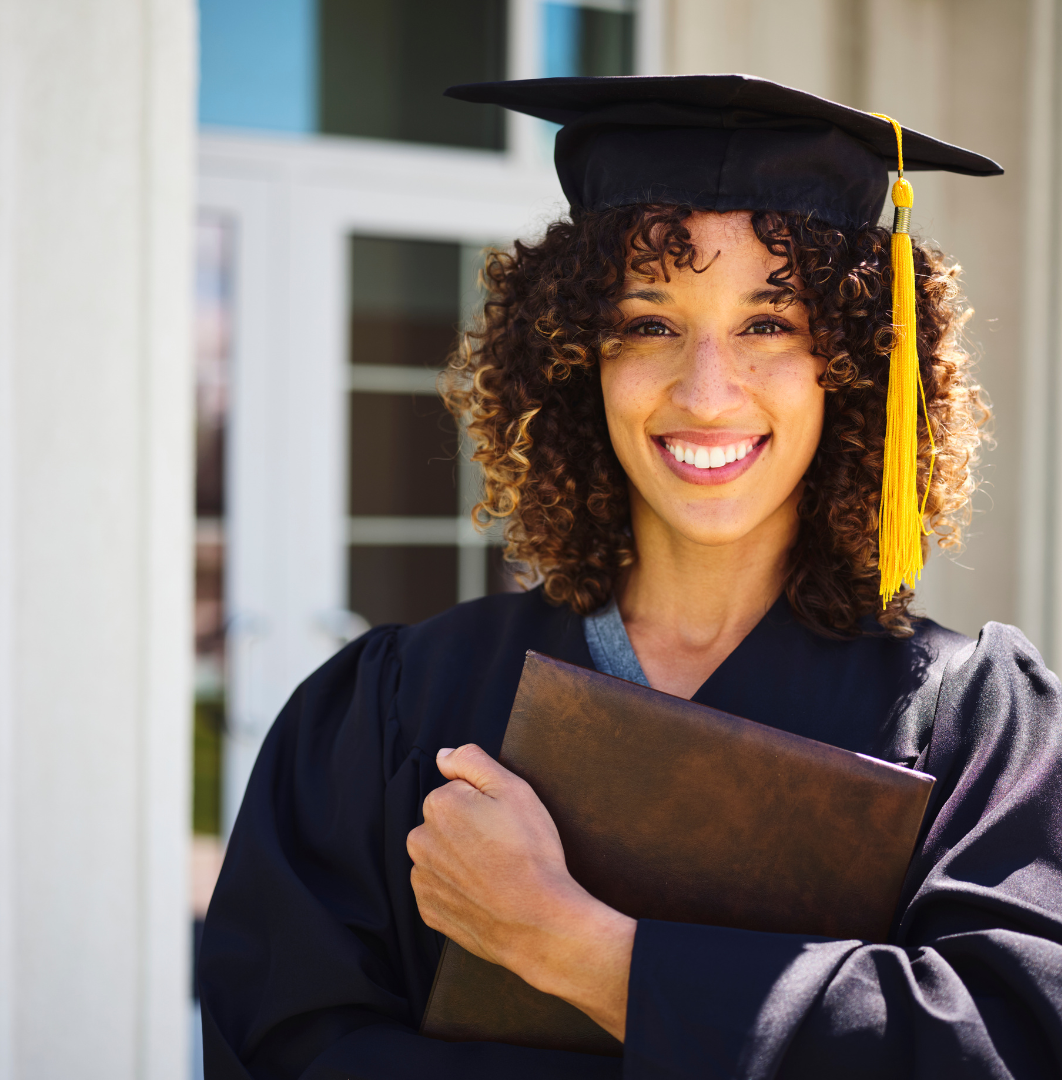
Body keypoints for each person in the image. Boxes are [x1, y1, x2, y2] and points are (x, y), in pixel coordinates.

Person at [199, 75, 1062, 1079]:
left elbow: (1008, 1043)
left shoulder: (972, 727)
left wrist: (578, 949)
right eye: (649, 322)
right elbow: (288, 1039)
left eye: (768, 324)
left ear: (855, 364)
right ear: (574, 357)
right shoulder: (398, 704)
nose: (704, 391)